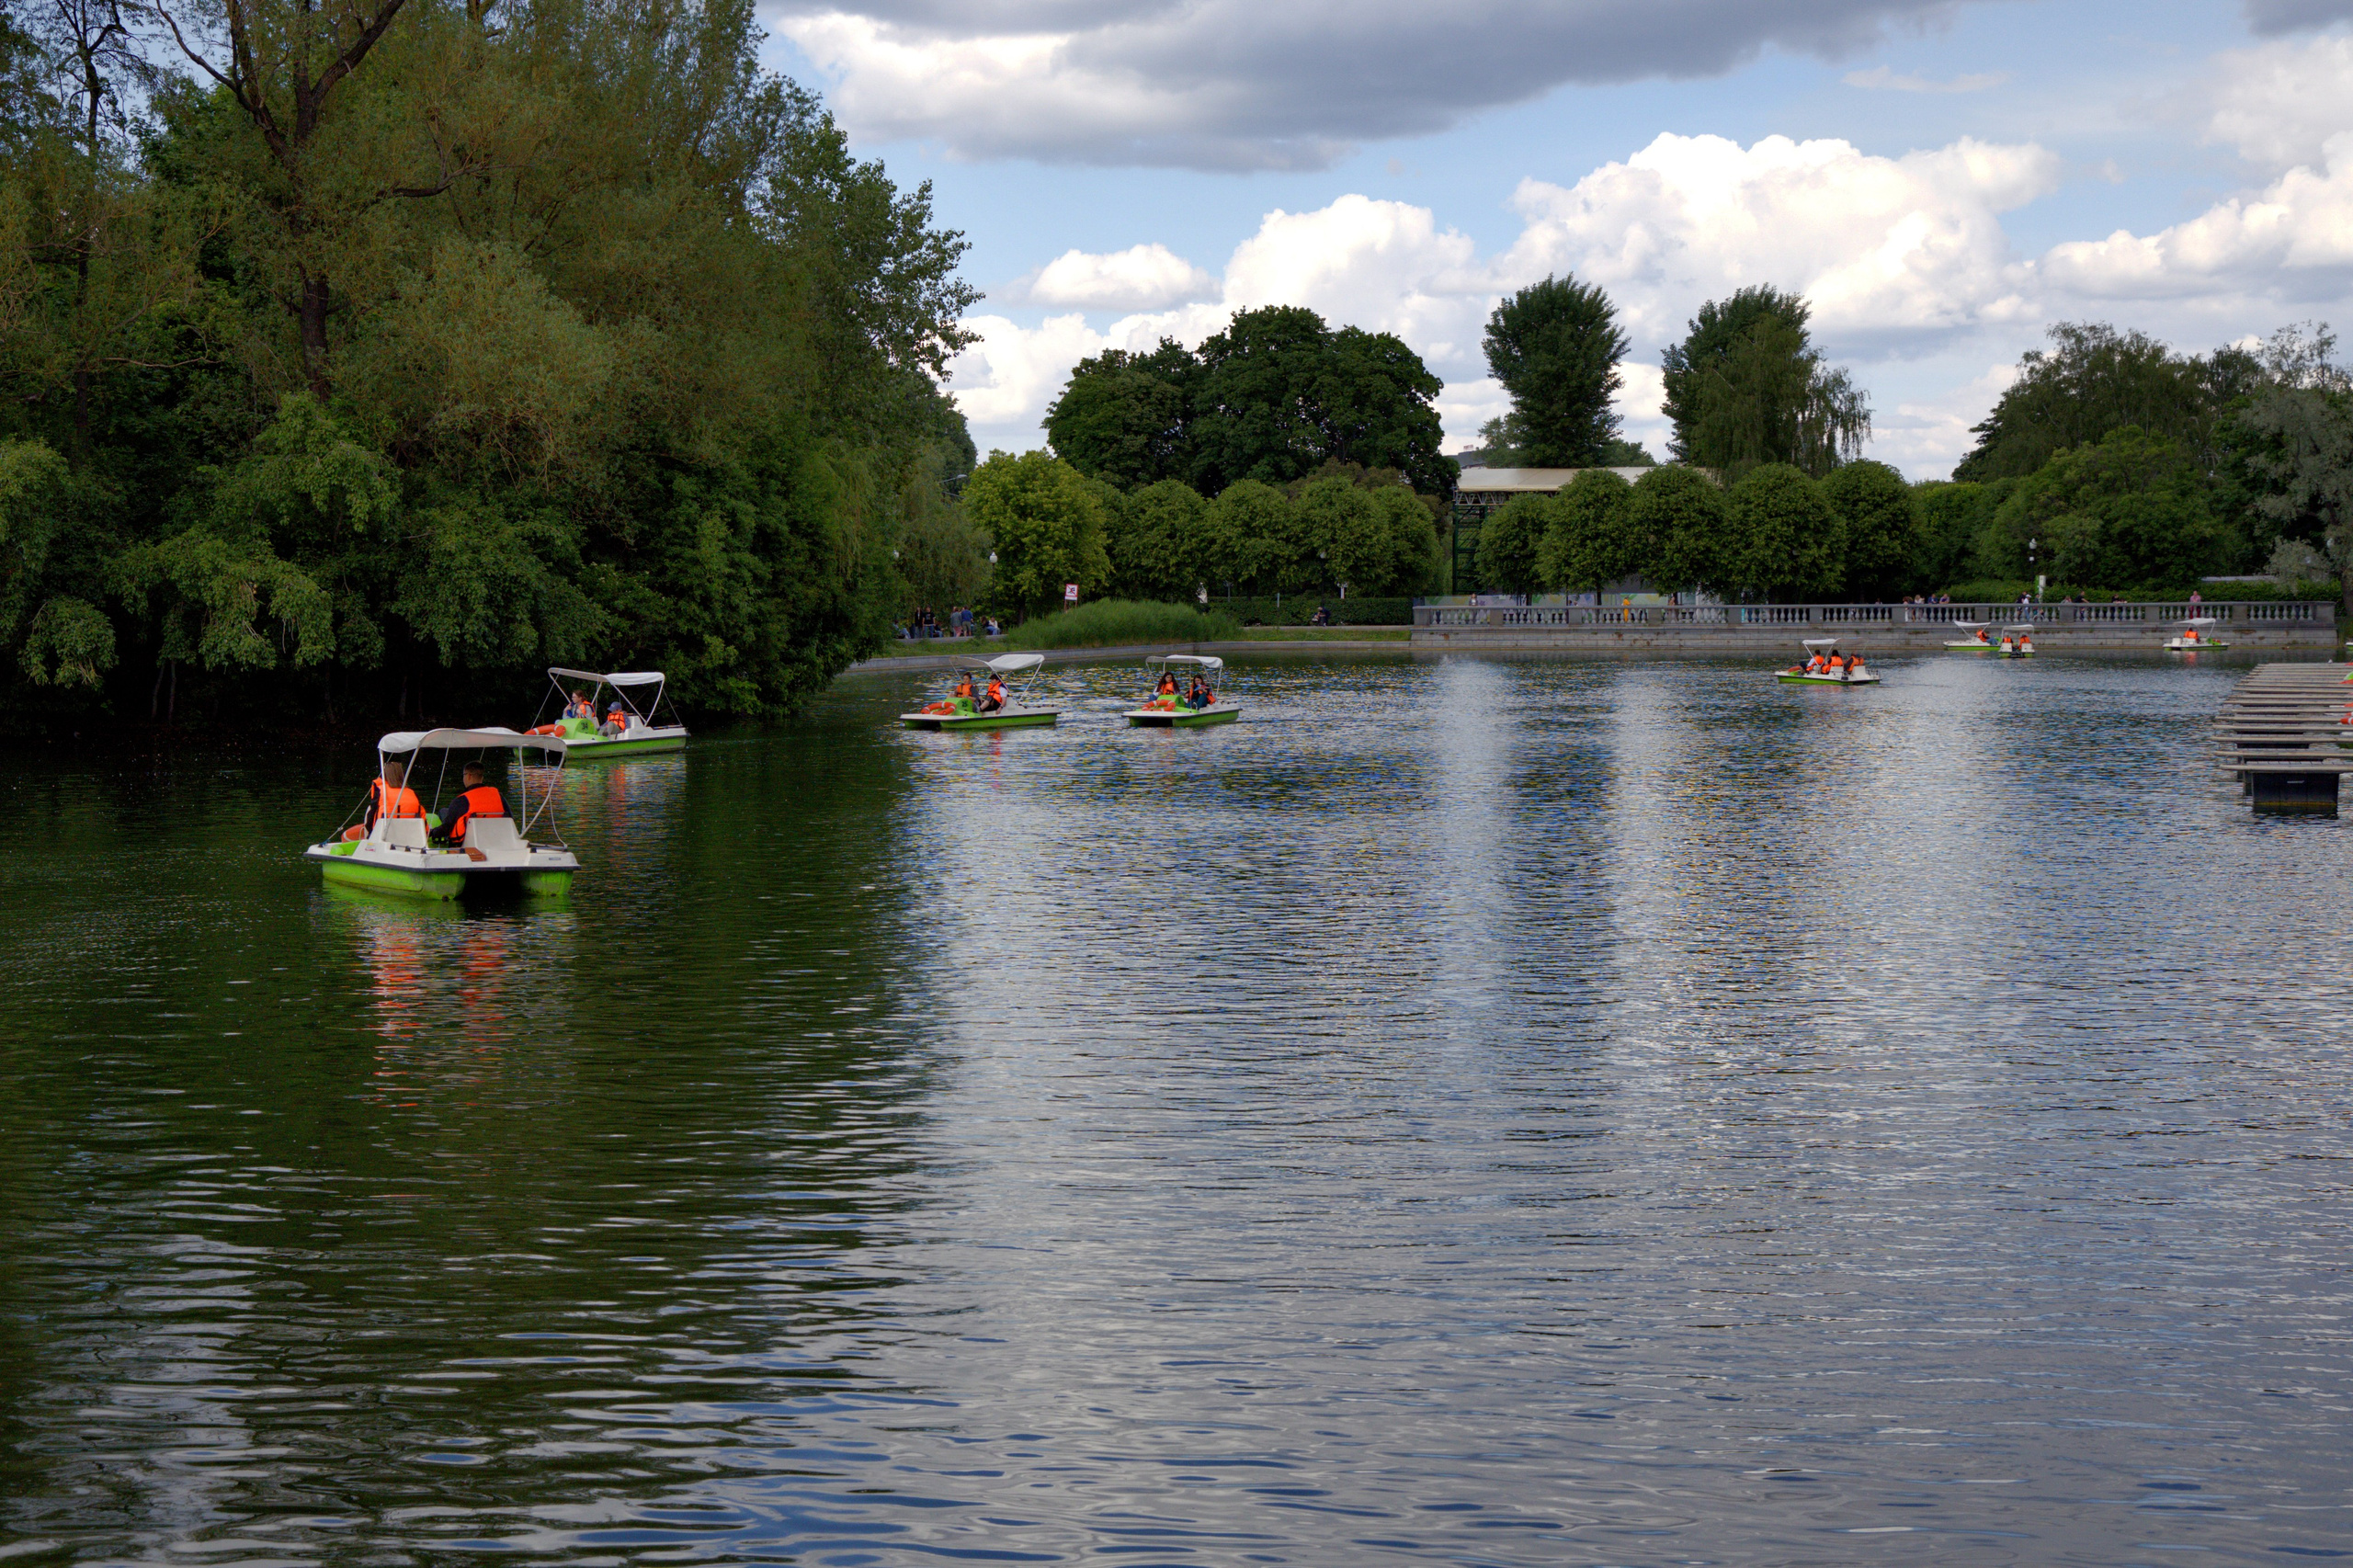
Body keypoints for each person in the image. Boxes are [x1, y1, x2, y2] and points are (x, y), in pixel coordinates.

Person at [346, 758, 426, 840]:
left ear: (384, 774)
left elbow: (371, 816)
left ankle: (368, 840)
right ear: (401, 775)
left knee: (370, 808)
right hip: (409, 838)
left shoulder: (380, 791)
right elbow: (422, 818)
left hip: (383, 837)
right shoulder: (413, 794)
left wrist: (370, 833)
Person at [434, 762, 506, 846]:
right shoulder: (499, 796)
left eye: (463, 775)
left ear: (468, 776)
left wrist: (433, 832)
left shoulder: (461, 800)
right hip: (495, 839)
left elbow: (447, 828)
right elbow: (509, 818)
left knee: (443, 812)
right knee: (445, 811)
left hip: (467, 845)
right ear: (482, 777)